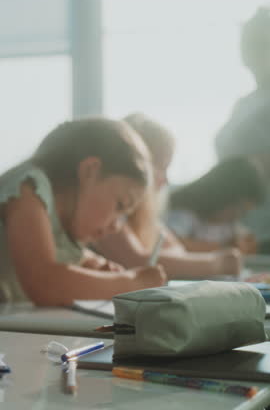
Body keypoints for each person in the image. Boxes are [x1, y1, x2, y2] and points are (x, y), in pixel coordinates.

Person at [0, 118, 166, 305]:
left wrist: (95, 269)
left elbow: (64, 255)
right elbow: (45, 282)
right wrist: (132, 282)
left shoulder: (63, 226)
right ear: (90, 171)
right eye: (120, 205)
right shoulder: (27, 190)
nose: (115, 226)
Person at [95, 112, 242, 280]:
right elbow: (139, 261)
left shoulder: (144, 218)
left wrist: (166, 259)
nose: (165, 179)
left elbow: (178, 251)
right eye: (160, 167)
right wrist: (218, 263)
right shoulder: (110, 214)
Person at [215, 6, 270, 247]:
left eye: (257, 45)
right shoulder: (245, 103)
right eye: (248, 45)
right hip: (243, 231)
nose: (248, 54)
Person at [167, 157, 266, 254]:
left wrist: (246, 245)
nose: (239, 216)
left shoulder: (230, 226)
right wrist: (222, 247)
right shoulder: (186, 215)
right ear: (223, 196)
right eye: (240, 209)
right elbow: (172, 243)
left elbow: (244, 241)